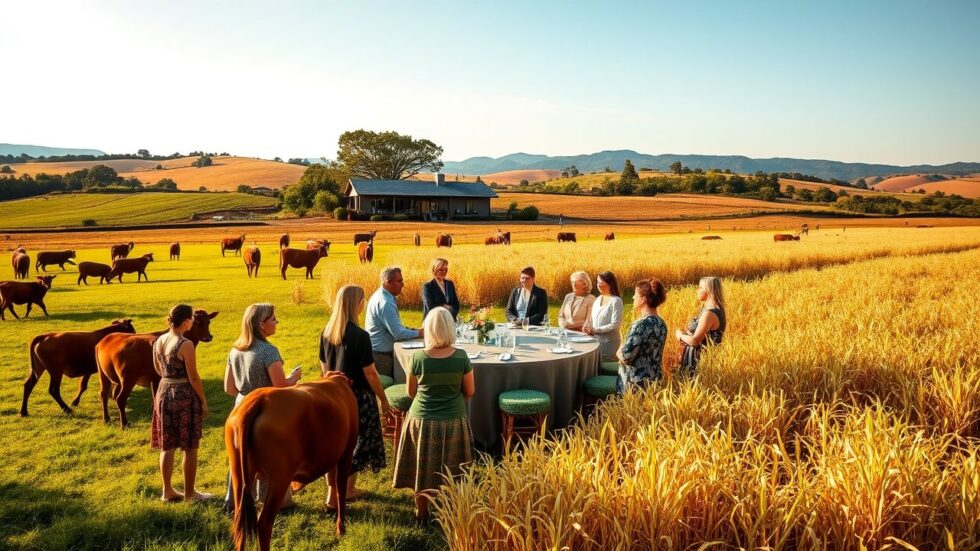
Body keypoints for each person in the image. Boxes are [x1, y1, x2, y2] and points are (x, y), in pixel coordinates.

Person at [393, 307, 474, 522]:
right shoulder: (461, 357)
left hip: (422, 420)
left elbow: (411, 392)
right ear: (451, 328)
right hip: (453, 419)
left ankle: (421, 510)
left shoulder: (418, 357)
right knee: (454, 465)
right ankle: (453, 508)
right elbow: (470, 392)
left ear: (428, 329)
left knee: (422, 465)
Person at [222, 303, 301, 511]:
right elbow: (280, 386)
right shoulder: (268, 351)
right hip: (265, 410)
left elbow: (229, 388)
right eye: (273, 319)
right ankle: (274, 500)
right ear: (261, 324)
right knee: (270, 455)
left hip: (240, 408)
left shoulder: (235, 350)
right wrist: (294, 378)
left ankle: (234, 499)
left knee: (239, 454)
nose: (277, 322)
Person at [321, 285, 390, 508]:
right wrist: (384, 400)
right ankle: (347, 489)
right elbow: (370, 373)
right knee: (357, 444)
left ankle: (334, 493)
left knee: (335, 445)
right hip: (357, 398)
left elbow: (324, 368)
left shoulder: (326, 333)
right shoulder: (360, 336)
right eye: (363, 299)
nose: (365, 303)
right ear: (355, 304)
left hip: (332, 395)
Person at [151, 304, 211, 503]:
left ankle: (167, 491)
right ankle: (190, 493)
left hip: (163, 391)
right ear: (186, 321)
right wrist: (203, 401)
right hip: (183, 394)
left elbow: (158, 370)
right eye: (192, 319)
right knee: (189, 446)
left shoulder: (159, 340)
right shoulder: (185, 344)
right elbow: (193, 377)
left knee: (167, 445)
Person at [366, 266, 423, 378]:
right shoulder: (385, 303)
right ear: (388, 282)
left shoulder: (381, 296)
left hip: (378, 351)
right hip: (382, 356)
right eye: (399, 281)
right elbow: (398, 333)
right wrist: (419, 333)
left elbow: (394, 327)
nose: (403, 284)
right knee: (388, 387)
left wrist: (413, 330)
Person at [616, 279, 668, 394]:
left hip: (635, 385)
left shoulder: (641, 324)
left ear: (644, 299)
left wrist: (619, 349)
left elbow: (626, 357)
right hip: (654, 381)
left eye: (635, 294)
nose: (633, 297)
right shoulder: (661, 323)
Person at [675, 276, 726, 376]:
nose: (697, 291)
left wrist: (680, 335)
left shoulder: (709, 313)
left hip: (699, 364)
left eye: (700, 288)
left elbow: (695, 341)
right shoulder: (715, 308)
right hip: (701, 360)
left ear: (709, 290)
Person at [584, 271, 623, 361]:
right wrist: (587, 326)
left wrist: (596, 330)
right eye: (597, 282)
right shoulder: (597, 299)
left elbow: (616, 325)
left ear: (610, 284)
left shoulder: (616, 301)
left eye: (601, 283)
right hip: (595, 343)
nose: (598, 285)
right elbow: (591, 319)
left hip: (609, 344)